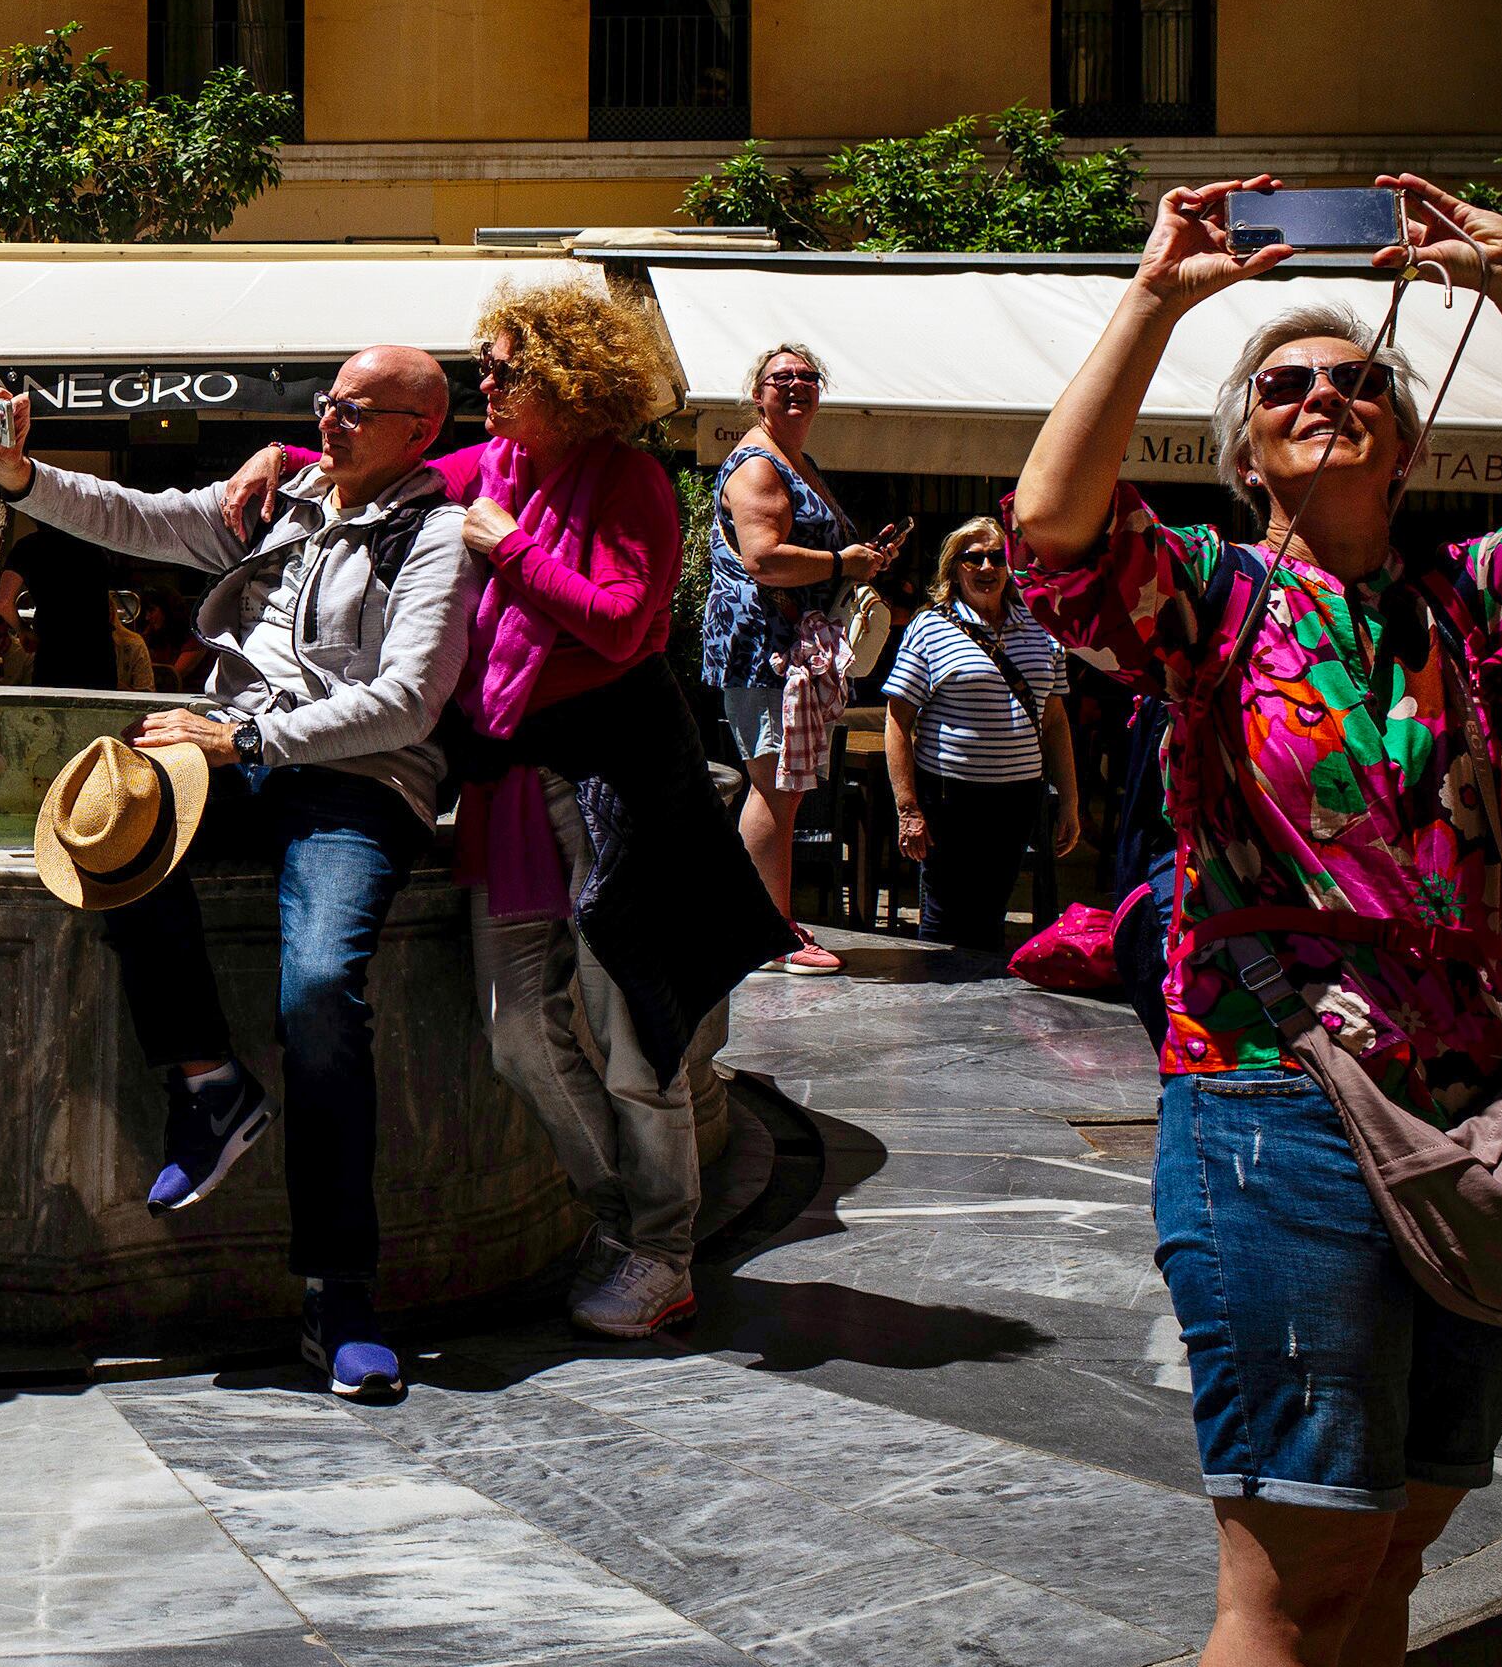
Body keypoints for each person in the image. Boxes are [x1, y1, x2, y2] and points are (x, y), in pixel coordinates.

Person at [1007, 172, 1502, 1667]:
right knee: (1298, 1557)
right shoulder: (1208, 604)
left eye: (1354, 379)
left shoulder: (1464, 608)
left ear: (1404, 434)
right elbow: (1052, 523)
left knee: (1393, 1544)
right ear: (1243, 452)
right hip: (1273, 1101)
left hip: (1469, 1117)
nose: (1322, 396)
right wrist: (1156, 299)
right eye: (1284, 386)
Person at [224, 287, 785, 1342]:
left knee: (634, 1041)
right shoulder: (492, 468)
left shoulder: (629, 479)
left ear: (568, 381)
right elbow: (381, 467)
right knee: (516, 1031)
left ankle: (664, 1251)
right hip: (512, 783)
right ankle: (618, 1225)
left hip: (617, 785)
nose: (486, 384)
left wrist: (510, 547)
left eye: (504, 369)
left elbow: (625, 624)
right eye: (486, 365)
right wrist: (280, 458)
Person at [0, 345, 470, 1402]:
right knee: (109, 828)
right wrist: (21, 476)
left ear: (419, 431)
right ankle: (208, 1084)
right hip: (233, 756)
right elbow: (141, 517)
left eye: (356, 411)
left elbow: (410, 703)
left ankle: (341, 1291)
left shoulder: (435, 537)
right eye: (325, 404)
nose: (327, 423)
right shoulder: (282, 497)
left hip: (352, 779)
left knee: (322, 996)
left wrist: (244, 744)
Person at [704, 341, 907, 974]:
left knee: (781, 790)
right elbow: (763, 558)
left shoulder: (798, 460)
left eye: (806, 376)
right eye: (779, 378)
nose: (795, 385)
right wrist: (841, 562)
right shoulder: (759, 468)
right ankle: (768, 934)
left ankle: (757, 927)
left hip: (786, 651)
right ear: (757, 394)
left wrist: (860, 562)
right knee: (774, 790)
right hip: (765, 652)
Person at [882, 520, 1083, 954]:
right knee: (942, 916)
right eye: (974, 557)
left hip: (1017, 797)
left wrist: (1069, 799)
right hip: (949, 798)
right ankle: (936, 1009)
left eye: (997, 556)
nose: (987, 566)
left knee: (992, 910)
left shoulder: (1041, 626)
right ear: (955, 569)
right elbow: (898, 721)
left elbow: (1055, 721)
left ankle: (978, 1012)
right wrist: (908, 809)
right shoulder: (928, 627)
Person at [4, 518, 119, 691]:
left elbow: (3, 601)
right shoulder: (95, 543)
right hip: (97, 652)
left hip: (53, 653)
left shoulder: (27, 547)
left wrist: (22, 630)